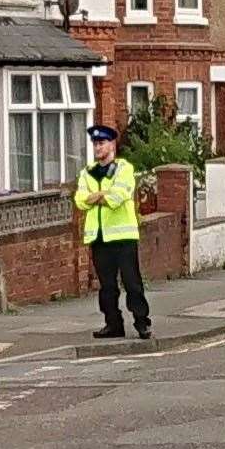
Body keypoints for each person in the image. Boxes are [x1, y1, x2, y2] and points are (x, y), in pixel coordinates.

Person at [73, 125, 151, 340]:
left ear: (112, 145)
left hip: (123, 237)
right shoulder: (87, 173)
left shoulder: (124, 169)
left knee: (132, 282)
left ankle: (142, 322)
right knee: (107, 287)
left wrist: (95, 196)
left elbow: (118, 197)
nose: (98, 148)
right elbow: (80, 200)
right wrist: (101, 195)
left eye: (102, 143)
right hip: (98, 237)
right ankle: (113, 324)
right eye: (95, 144)